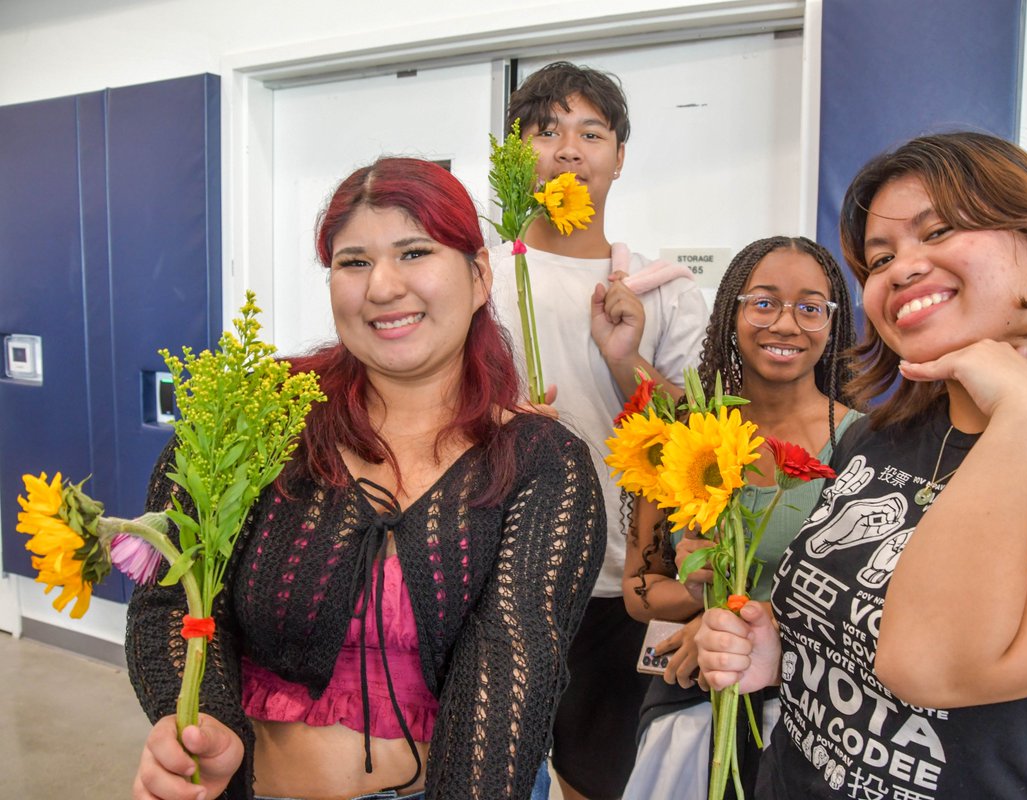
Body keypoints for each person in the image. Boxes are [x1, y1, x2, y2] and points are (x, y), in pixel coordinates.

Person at [695, 132, 1027, 799]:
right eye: (880, 259)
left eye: (942, 231)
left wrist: (1025, 414)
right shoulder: (875, 436)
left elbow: (928, 668)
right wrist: (784, 656)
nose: (901, 269)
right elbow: (861, 641)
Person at [127, 157, 606, 800]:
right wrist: (203, 728)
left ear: (480, 274)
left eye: (414, 252)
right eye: (353, 262)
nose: (382, 287)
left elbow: (510, 666)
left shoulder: (542, 463)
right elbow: (170, 597)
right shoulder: (257, 418)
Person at [488, 62, 709, 800]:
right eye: (545, 131)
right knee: (488, 773)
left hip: (619, 584)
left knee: (596, 779)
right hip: (493, 571)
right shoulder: (476, 279)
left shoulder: (665, 289)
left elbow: (697, 440)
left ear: (619, 157)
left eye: (592, 132)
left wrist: (628, 359)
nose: (569, 149)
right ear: (518, 155)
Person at [620, 236, 862, 800]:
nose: (785, 324)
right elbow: (639, 593)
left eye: (810, 307)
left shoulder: (867, 446)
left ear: (833, 325)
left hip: (813, 722)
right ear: (731, 312)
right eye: (763, 302)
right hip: (689, 707)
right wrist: (701, 591)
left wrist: (745, 622)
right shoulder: (681, 434)